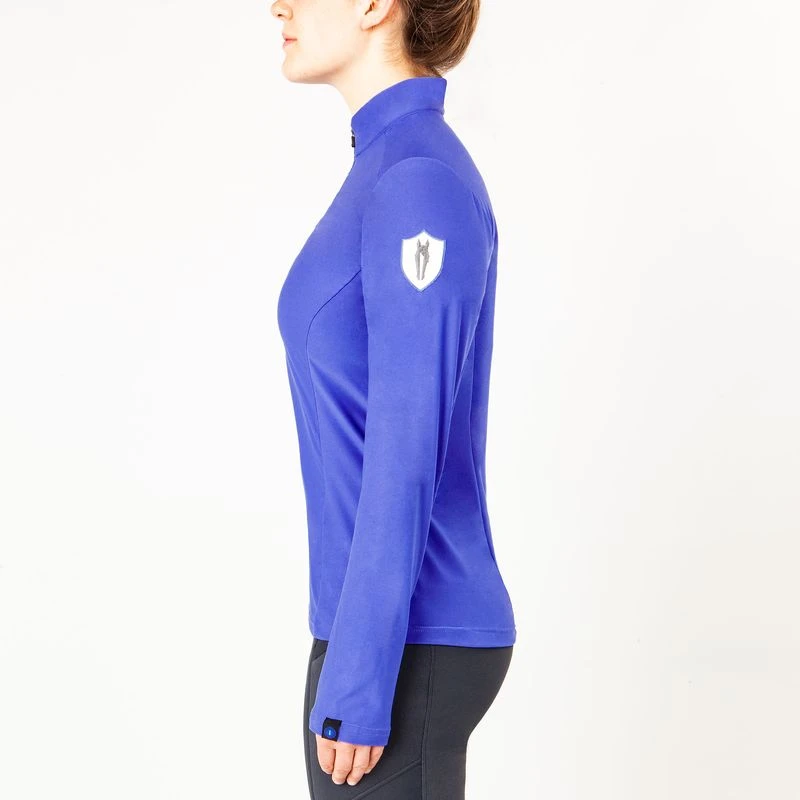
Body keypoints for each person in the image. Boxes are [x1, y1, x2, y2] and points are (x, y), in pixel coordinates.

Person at [272, 1, 517, 797]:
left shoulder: (418, 183)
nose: (278, 5)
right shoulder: (386, 165)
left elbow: (407, 447)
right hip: (369, 633)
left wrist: (358, 679)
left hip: (407, 641)